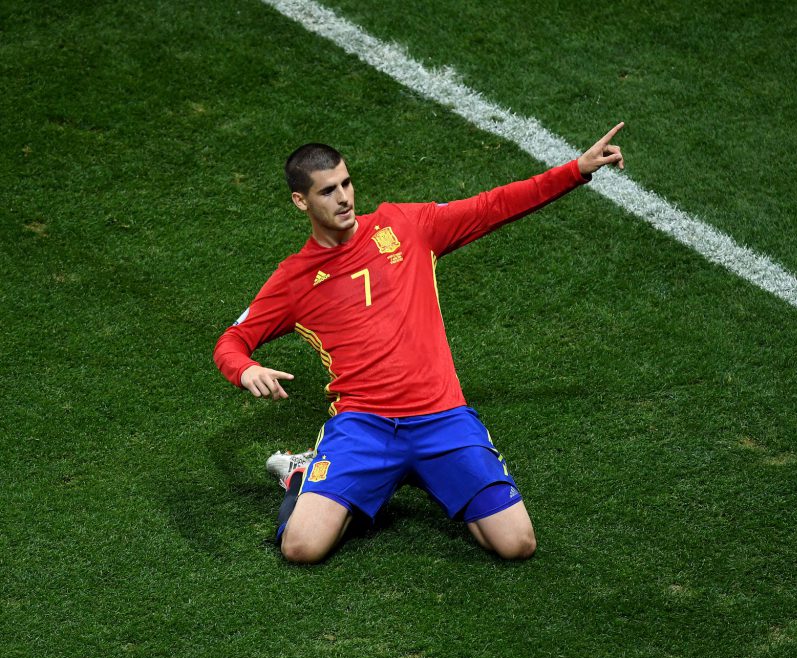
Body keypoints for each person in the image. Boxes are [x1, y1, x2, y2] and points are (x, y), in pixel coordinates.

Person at [214, 124, 625, 564]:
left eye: (347, 183)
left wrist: (575, 171)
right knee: (301, 548)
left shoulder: (406, 225)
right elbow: (232, 342)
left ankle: (401, 480)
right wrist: (247, 369)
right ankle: (303, 476)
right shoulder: (293, 279)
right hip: (363, 427)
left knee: (516, 544)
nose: (345, 198)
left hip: (441, 418)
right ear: (301, 201)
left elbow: (492, 207)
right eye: (328, 191)